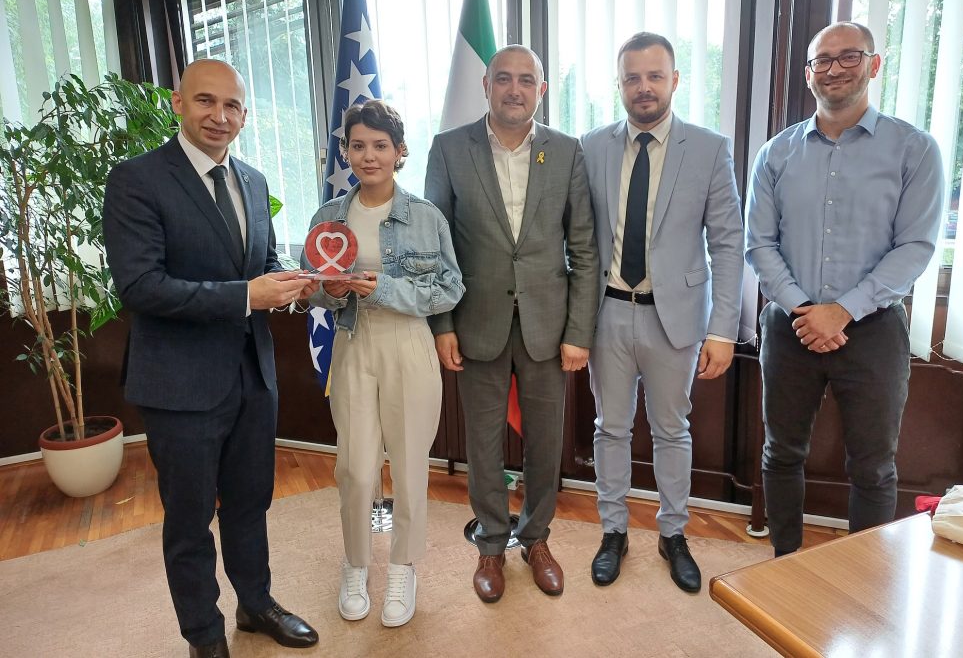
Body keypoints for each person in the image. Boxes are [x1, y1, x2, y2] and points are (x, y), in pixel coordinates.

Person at [102, 59, 319, 658]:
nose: (219, 116)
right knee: (190, 520)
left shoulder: (253, 180)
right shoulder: (137, 180)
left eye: (232, 106)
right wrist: (247, 296)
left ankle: (256, 604)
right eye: (205, 101)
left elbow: (261, 265)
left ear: (245, 115)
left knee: (250, 504)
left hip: (253, 376)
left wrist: (302, 282)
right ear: (178, 103)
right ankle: (204, 635)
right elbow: (141, 287)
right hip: (179, 385)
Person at [745, 22, 944, 557]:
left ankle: (861, 578)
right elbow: (759, 244)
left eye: (848, 56)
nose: (834, 68)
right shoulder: (776, 154)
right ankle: (784, 564)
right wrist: (804, 309)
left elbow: (915, 247)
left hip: (874, 329)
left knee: (873, 466)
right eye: (822, 60)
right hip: (790, 327)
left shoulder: (914, 149)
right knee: (781, 453)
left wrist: (843, 311)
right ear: (808, 74)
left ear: (873, 65)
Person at [425, 45, 599, 603]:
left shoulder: (566, 151)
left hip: (549, 325)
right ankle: (491, 545)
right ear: (486, 85)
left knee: (546, 443)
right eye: (504, 78)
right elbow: (435, 248)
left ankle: (537, 538)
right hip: (476, 322)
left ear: (541, 90)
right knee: (482, 444)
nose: (515, 89)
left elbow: (584, 248)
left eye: (527, 80)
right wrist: (442, 324)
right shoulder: (450, 148)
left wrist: (579, 332)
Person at [580, 32, 744, 593]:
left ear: (675, 80)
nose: (644, 87)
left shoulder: (709, 149)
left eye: (655, 76)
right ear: (620, 84)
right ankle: (613, 531)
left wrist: (723, 329)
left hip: (676, 317)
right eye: (633, 77)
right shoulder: (591, 147)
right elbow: (577, 238)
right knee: (610, 427)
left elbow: (728, 243)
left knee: (672, 429)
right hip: (607, 312)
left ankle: (673, 533)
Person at [303, 100, 464, 627]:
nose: (368, 156)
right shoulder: (328, 217)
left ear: (399, 151)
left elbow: (450, 287)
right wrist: (326, 291)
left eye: (379, 146)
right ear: (345, 151)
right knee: (354, 467)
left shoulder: (426, 216)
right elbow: (312, 290)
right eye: (357, 146)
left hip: (408, 344)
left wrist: (386, 289)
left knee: (411, 465)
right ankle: (355, 564)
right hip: (353, 344)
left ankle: (402, 567)